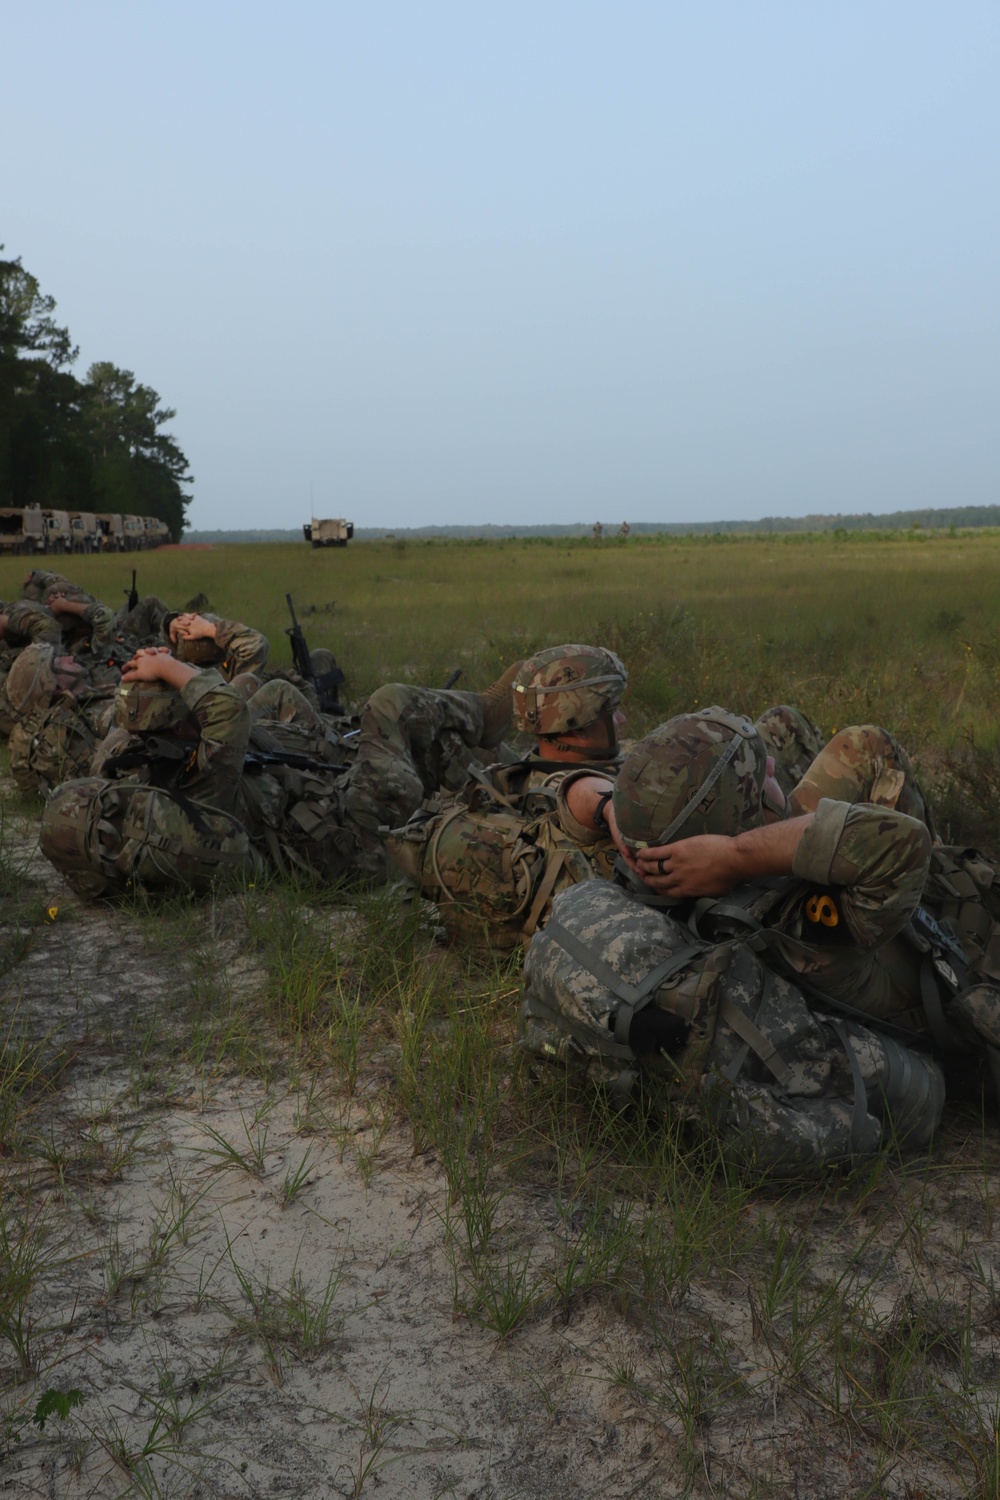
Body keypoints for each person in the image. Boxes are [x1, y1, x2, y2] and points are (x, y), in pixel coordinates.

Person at [520, 706, 947, 1176]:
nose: (770, 766)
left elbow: (566, 791)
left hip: (731, 864)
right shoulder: (799, 925)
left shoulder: (644, 873)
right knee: (870, 744)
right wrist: (737, 857)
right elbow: (904, 843)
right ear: (735, 829)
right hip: (920, 974)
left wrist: (612, 815)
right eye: (757, 772)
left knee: (850, 739)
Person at [40, 651, 524, 896]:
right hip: (358, 838)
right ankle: (488, 715)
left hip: (328, 810)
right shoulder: (201, 773)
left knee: (436, 744)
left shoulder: (144, 767)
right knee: (390, 704)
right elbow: (226, 708)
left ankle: (506, 778)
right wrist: (169, 665)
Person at [385, 645, 628, 945]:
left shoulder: (505, 780)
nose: (622, 720)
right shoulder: (580, 789)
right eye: (614, 709)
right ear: (578, 724)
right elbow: (584, 793)